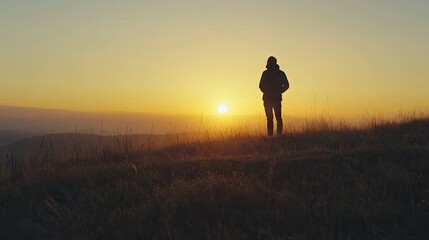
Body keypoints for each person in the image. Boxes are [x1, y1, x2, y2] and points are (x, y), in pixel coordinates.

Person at [259, 56, 289, 136]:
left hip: (275, 99)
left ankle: (278, 135)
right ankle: (271, 136)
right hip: (269, 99)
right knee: (270, 118)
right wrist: (268, 91)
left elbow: (286, 85)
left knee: (277, 118)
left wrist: (279, 91)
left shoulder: (280, 73)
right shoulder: (265, 73)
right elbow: (261, 86)